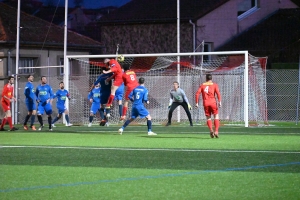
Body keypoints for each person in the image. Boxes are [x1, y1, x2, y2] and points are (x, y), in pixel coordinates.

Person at [195, 74, 222, 138]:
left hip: (206, 103)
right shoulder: (214, 85)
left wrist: (196, 103)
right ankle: (216, 131)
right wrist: (219, 101)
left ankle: (211, 130)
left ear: (206, 79)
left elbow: (197, 94)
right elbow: (218, 93)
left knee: (208, 118)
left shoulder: (202, 85)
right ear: (211, 79)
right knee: (216, 116)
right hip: (213, 103)